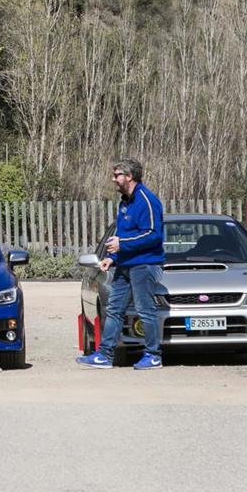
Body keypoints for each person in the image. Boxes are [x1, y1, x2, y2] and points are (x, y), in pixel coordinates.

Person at [76, 157, 166, 370]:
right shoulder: (124, 202)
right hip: (125, 265)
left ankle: (153, 355)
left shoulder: (147, 200)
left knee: (145, 310)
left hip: (144, 265)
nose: (113, 179)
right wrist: (112, 257)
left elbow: (154, 235)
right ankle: (105, 355)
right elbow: (122, 235)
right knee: (114, 309)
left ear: (130, 177)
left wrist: (122, 244)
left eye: (117, 175)